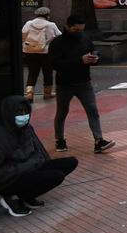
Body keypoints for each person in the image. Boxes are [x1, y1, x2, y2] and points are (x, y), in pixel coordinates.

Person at [0, 96, 79, 217]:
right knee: (56, 176)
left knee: (70, 162)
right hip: (11, 179)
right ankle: (13, 198)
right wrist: (22, 168)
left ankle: (27, 195)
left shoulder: (26, 129)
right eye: (19, 112)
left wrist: (39, 162)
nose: (24, 116)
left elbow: (39, 150)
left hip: (30, 168)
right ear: (10, 114)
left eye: (26, 112)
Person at [49, 15, 114, 154]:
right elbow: (55, 64)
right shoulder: (57, 43)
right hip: (65, 83)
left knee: (92, 111)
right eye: (76, 29)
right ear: (67, 26)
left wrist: (95, 58)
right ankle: (59, 139)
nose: (79, 32)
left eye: (81, 29)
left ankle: (99, 140)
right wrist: (80, 60)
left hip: (84, 82)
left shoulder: (85, 38)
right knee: (62, 112)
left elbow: (93, 50)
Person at [21, 7, 61, 100]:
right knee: (47, 72)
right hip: (46, 52)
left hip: (29, 51)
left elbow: (23, 34)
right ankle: (47, 93)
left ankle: (29, 94)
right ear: (47, 15)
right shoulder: (51, 25)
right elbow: (59, 36)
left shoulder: (29, 23)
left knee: (32, 72)